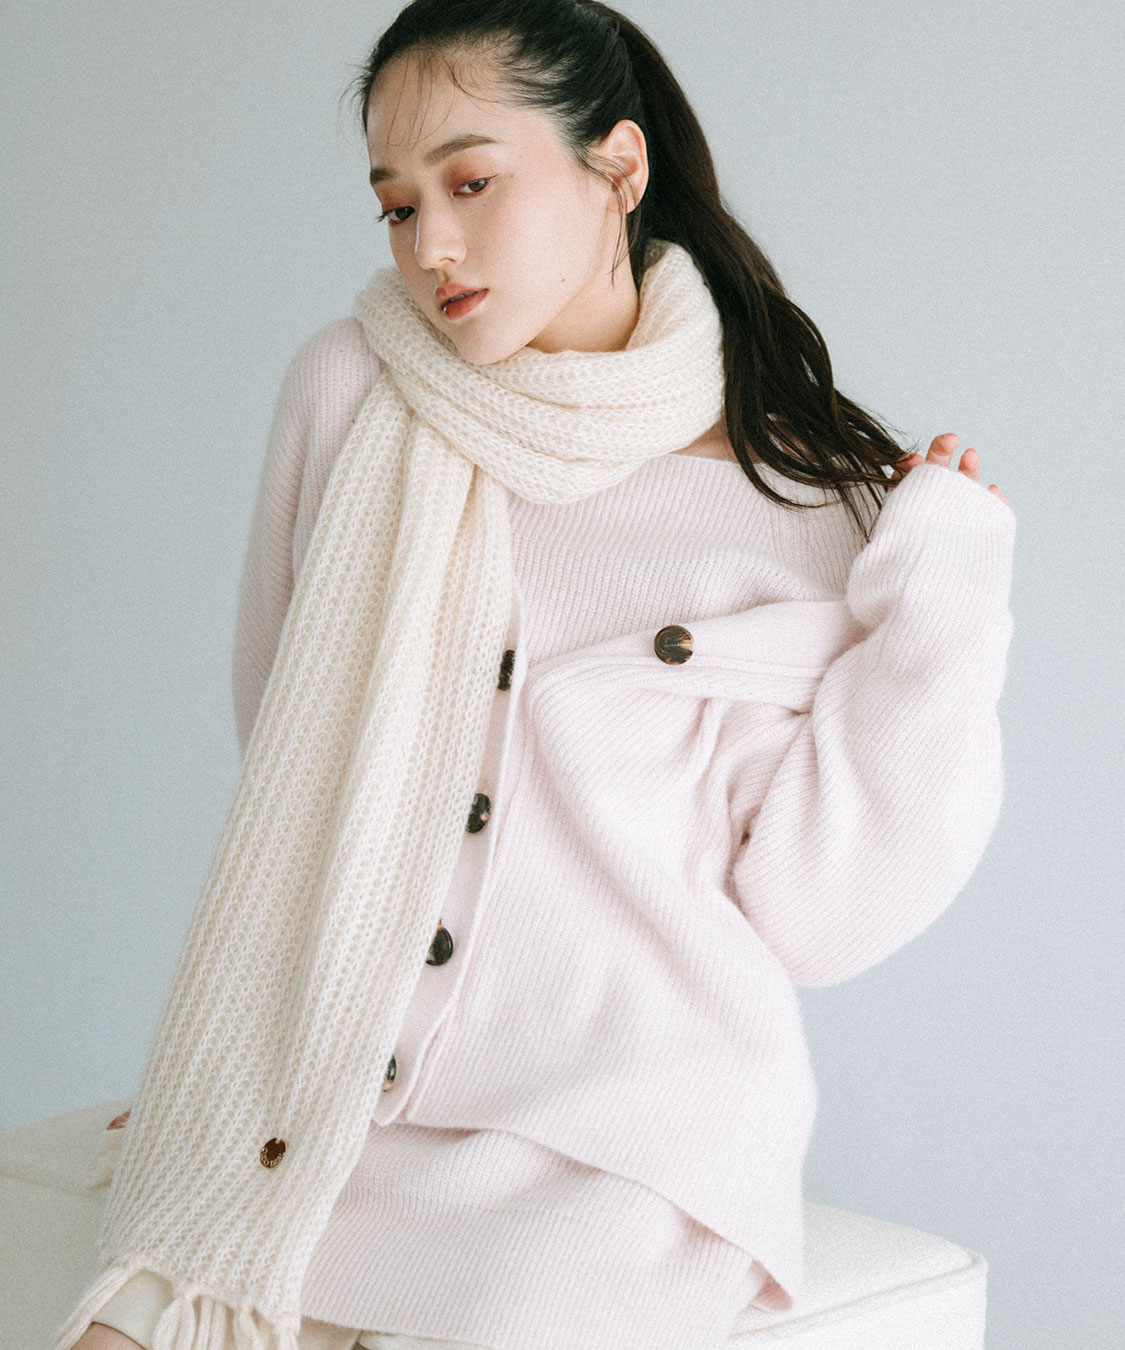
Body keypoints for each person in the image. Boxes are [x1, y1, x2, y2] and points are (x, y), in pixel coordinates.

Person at [57, 2, 1015, 1349]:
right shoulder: (352, 390)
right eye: (397, 207)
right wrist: (238, 1079)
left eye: (470, 183)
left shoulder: (813, 505)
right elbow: (293, 748)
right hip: (327, 1106)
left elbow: (818, 919)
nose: (429, 248)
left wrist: (941, 618)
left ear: (617, 167)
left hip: (616, 1153)